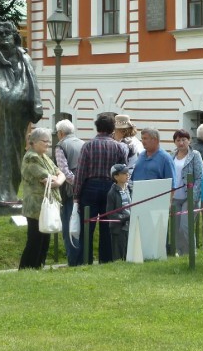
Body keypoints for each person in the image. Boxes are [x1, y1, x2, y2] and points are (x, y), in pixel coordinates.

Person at [0, 21, 43, 204]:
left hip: (18, 117)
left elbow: (33, 85)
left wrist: (31, 102)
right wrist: (20, 94)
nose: (4, 36)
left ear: (15, 36)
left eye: (8, 33)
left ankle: (10, 193)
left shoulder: (24, 58)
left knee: (15, 156)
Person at [73, 113, 128, 264]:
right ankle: (106, 260)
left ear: (97, 127)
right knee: (108, 226)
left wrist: (76, 195)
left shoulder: (88, 146)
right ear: (112, 128)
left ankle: (85, 260)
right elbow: (123, 171)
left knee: (87, 227)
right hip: (111, 186)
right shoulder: (118, 147)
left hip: (90, 187)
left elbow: (80, 172)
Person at [19, 127, 65, 269]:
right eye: (45, 141)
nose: (48, 144)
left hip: (46, 206)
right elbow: (46, 177)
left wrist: (58, 181)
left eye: (49, 141)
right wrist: (56, 179)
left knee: (44, 239)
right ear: (34, 142)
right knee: (35, 240)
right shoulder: (31, 157)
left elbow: (60, 173)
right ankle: (27, 268)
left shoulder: (44, 156)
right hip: (35, 207)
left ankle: (38, 267)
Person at [54, 119, 85, 267]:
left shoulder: (61, 145)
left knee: (69, 225)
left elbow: (64, 171)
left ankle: (73, 261)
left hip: (69, 192)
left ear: (60, 133)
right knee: (82, 225)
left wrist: (76, 183)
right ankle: (83, 258)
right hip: (85, 189)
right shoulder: (83, 143)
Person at [171, 129, 203, 255]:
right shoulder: (171, 155)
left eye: (184, 140)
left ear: (189, 141)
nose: (181, 143)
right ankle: (180, 252)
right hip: (175, 197)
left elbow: (199, 178)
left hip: (189, 197)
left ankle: (191, 253)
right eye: (178, 140)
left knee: (185, 226)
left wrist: (193, 197)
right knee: (176, 227)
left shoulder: (195, 155)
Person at [105, 163, 132, 262]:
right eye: (124, 173)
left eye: (127, 172)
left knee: (128, 254)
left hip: (129, 227)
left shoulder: (129, 189)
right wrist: (125, 217)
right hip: (118, 229)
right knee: (119, 256)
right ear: (116, 177)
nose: (127, 175)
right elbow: (110, 214)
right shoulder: (112, 193)